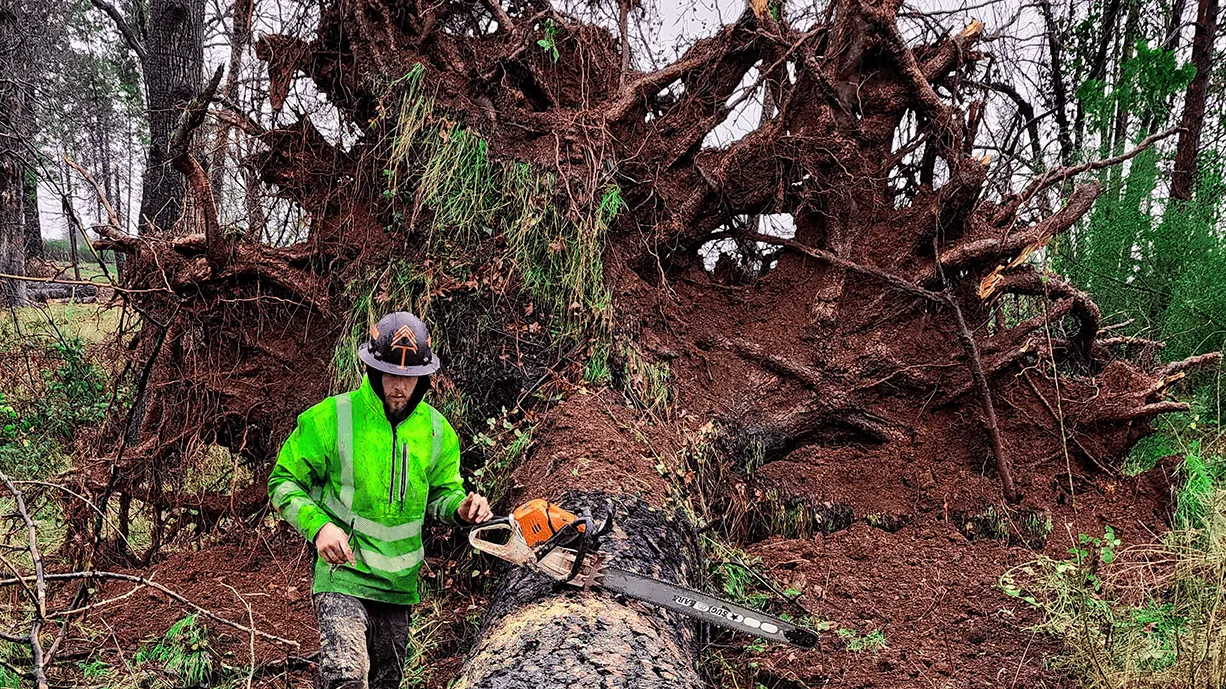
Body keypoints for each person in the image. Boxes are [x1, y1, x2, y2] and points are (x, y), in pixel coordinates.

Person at [268, 311, 493, 689]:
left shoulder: (438, 431)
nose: (399, 388)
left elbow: (442, 494)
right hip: (344, 575)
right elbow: (282, 482)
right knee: (347, 678)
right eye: (391, 374)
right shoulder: (330, 419)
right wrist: (319, 527)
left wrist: (461, 508)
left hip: (398, 586)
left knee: (387, 681)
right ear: (371, 369)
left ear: (423, 378)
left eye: (409, 378)